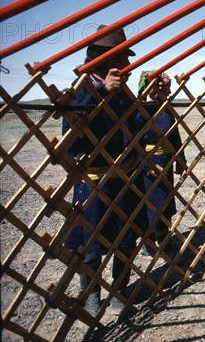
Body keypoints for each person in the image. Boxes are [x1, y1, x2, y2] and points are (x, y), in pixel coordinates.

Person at [62, 25, 142, 316]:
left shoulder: (124, 93)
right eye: (123, 58)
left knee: (125, 238)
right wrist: (100, 92)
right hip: (95, 182)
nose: (128, 65)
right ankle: (91, 293)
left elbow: (138, 128)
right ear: (107, 58)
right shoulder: (83, 89)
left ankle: (120, 291)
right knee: (91, 241)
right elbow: (71, 129)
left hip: (124, 178)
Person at [137, 71, 186, 254]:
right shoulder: (140, 108)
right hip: (149, 163)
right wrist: (147, 165)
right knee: (151, 204)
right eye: (160, 86)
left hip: (166, 160)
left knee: (166, 203)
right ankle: (148, 242)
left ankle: (163, 239)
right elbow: (132, 142)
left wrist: (180, 159)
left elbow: (175, 134)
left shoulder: (165, 107)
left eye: (166, 87)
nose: (166, 89)